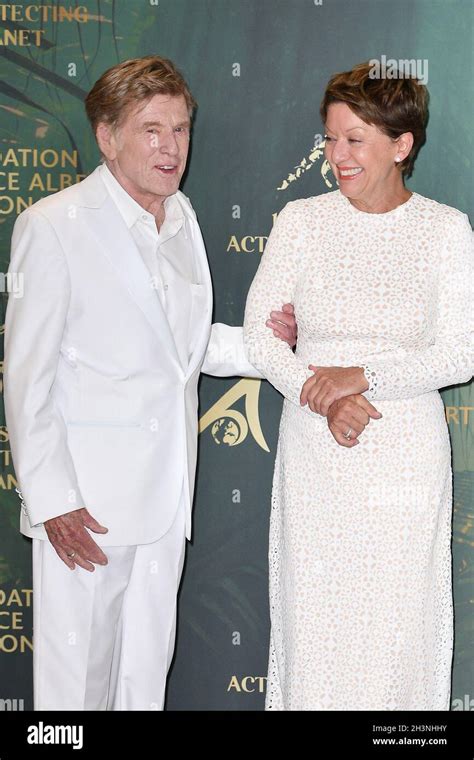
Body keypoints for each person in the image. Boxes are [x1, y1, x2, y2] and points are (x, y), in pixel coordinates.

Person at [3, 56, 296, 711]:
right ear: (107, 137)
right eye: (151, 130)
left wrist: (273, 343)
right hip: (85, 510)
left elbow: (185, 352)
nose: (171, 148)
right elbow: (26, 378)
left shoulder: (181, 217)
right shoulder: (54, 225)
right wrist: (52, 501)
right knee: (74, 691)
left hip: (165, 500)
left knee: (142, 682)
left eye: (181, 130)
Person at [244, 61, 473, 710]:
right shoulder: (301, 221)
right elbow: (263, 338)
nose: (336, 157)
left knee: (398, 628)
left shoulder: (445, 231)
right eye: (330, 139)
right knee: (315, 625)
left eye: (355, 141)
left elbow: (462, 351)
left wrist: (364, 376)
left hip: (403, 452)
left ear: (402, 145)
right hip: (318, 456)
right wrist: (328, 396)